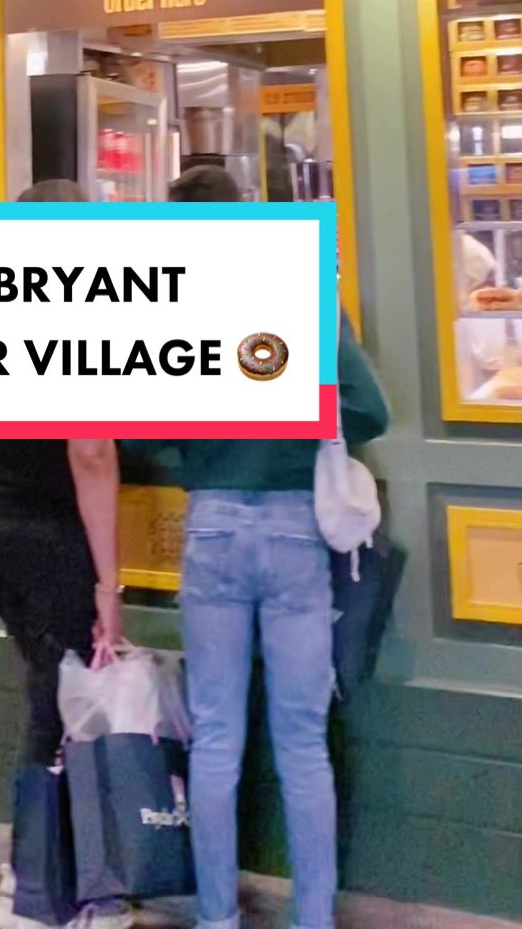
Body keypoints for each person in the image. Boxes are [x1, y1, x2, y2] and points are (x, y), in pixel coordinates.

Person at [168, 163, 390, 929]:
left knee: (215, 738)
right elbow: (370, 410)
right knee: (302, 742)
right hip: (298, 527)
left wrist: (195, 455)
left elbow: (136, 426)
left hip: (212, 526)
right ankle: (313, 917)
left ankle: (216, 917)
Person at [0, 180, 126, 929]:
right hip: (50, 544)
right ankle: (36, 891)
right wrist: (108, 585)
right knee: (54, 713)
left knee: (46, 704)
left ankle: (45, 881)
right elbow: (91, 452)